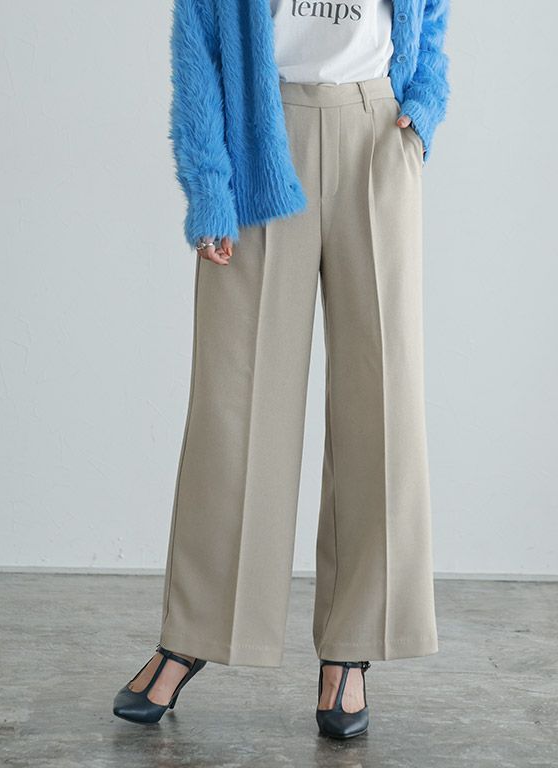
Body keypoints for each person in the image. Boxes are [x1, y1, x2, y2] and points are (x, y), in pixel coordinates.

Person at [113, 0, 450, 740]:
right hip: (262, 134)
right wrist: (209, 187)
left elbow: (432, 15)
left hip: (376, 132)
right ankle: (196, 632)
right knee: (235, 403)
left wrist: (424, 101)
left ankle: (352, 648)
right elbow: (198, 47)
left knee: (381, 400)